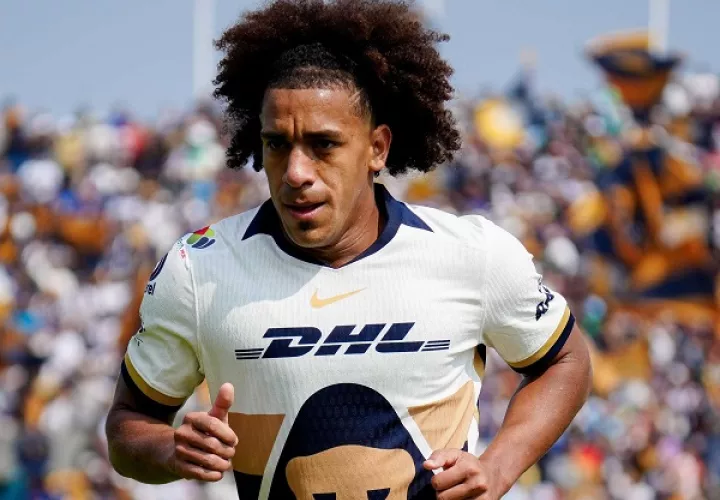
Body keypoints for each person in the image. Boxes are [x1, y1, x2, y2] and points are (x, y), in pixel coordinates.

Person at [105, 0, 592, 498]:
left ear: (377, 148)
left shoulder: (472, 254)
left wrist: (500, 466)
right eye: (277, 144)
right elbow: (127, 425)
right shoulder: (199, 268)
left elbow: (566, 361)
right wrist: (170, 449)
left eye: (323, 144)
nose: (296, 172)